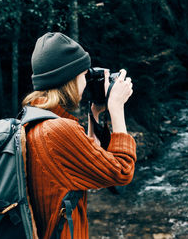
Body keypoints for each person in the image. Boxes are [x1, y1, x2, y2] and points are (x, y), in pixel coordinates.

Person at [22, 32, 136, 239]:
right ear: (70, 78)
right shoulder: (57, 131)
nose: (87, 81)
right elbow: (121, 172)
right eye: (85, 75)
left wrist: (95, 113)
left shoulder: (33, 120)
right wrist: (117, 109)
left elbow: (89, 164)